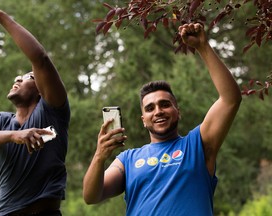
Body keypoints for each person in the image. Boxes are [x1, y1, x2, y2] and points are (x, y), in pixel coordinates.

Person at [83, 22, 242, 215]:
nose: (158, 111)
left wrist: (203, 47)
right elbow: (91, 196)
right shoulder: (127, 160)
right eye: (150, 108)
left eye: (165, 104)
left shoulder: (197, 145)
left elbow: (230, 99)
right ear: (144, 119)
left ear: (178, 111)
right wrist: (100, 156)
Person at [0, 2, 70, 216]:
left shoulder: (53, 111)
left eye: (27, 77)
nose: (17, 78)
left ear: (41, 89)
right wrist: (14, 135)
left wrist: (2, 18)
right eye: (18, 77)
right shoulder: (0, 122)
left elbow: (39, 59)